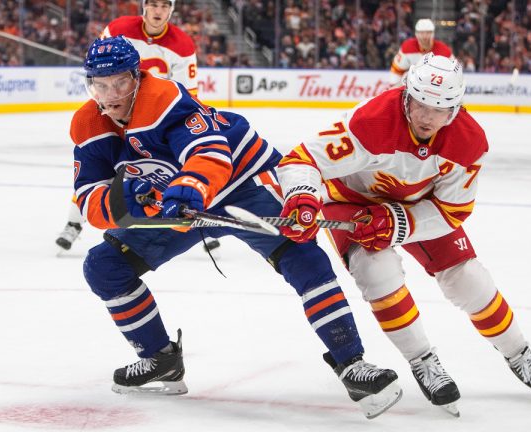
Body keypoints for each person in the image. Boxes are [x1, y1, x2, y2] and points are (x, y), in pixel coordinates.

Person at [70, 36, 402, 419]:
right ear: (89, 84)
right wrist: (134, 200)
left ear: (138, 77)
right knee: (105, 266)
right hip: (180, 208)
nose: (112, 94)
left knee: (304, 257)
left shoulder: (164, 100)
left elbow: (209, 154)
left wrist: (187, 187)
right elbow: (88, 197)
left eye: (121, 82)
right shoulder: (88, 125)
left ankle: (352, 364)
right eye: (101, 84)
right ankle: (160, 359)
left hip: (244, 184)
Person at [276, 53, 531, 416]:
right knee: (376, 273)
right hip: (354, 203)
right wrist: (302, 195)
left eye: (440, 108)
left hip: (419, 206)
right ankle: (422, 360)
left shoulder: (468, 142)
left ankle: (520, 354)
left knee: (468, 279)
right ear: (406, 95)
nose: (428, 116)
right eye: (421, 104)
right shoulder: (371, 121)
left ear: (455, 109)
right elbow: (302, 160)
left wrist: (397, 221)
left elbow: (453, 210)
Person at [55, 0, 220, 252]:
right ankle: (74, 222)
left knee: (177, 168)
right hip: (116, 115)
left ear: (171, 10)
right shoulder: (118, 28)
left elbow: (187, 95)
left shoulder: (182, 45)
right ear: (144, 7)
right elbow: (99, 73)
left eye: (164, 6)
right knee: (99, 168)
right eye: (153, 4)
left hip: (156, 121)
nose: (158, 11)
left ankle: (198, 222)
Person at [389, 19, 453, 86]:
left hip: (436, 89)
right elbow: (397, 70)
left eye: (428, 33)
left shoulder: (444, 50)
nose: (425, 36)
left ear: (433, 33)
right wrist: (394, 88)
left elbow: (453, 74)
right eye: (421, 33)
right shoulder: (407, 47)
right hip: (412, 88)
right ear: (416, 34)